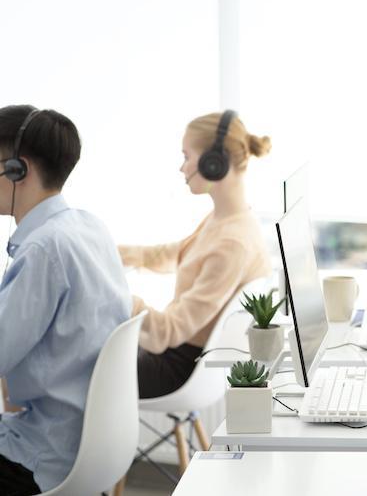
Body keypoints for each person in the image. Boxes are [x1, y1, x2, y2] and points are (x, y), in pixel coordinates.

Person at [0, 105, 131, 494]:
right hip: (90, 447)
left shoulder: (43, 250)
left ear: (16, 170)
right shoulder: (88, 227)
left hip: (42, 456)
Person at [119, 110, 271, 398]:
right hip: (176, 356)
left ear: (214, 163)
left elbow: (170, 331)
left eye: (186, 156)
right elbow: (178, 254)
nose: (181, 167)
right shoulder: (228, 220)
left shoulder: (232, 243)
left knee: (58, 363)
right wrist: (112, 253)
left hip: (177, 369)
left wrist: (117, 297)